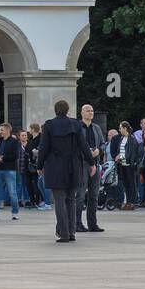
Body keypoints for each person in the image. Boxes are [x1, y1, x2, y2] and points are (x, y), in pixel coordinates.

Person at [38, 99, 92, 243]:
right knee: (71, 200)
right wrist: (91, 162)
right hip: (73, 166)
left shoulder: (49, 126)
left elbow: (43, 148)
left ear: (55, 110)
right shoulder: (75, 124)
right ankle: (72, 232)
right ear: (67, 110)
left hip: (55, 166)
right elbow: (84, 145)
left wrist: (39, 165)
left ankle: (64, 233)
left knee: (60, 201)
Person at [76, 104, 105, 230]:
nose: (91, 113)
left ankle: (92, 224)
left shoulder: (96, 128)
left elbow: (103, 144)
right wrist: (86, 153)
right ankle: (77, 223)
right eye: (88, 111)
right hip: (82, 165)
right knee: (81, 195)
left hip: (96, 163)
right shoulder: (77, 127)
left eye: (92, 110)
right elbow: (75, 145)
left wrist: (99, 150)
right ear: (82, 113)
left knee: (94, 195)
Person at [111, 121, 138, 210]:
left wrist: (128, 160)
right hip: (122, 164)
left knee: (131, 184)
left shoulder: (132, 139)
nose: (119, 130)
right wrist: (118, 156)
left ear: (125, 128)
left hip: (129, 164)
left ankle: (132, 202)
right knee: (126, 184)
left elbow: (132, 153)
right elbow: (121, 150)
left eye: (120, 128)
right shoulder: (122, 138)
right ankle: (128, 202)